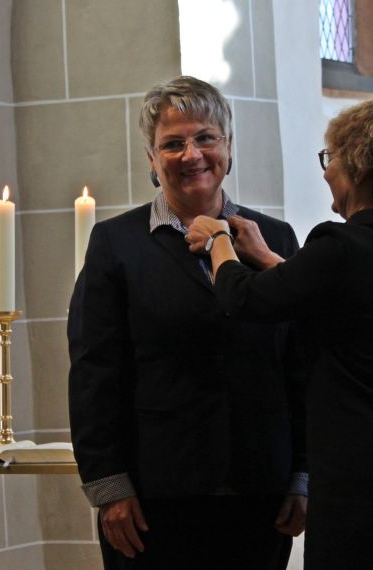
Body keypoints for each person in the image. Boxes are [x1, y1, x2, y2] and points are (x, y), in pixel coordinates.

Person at [187, 99, 373, 570]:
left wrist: (219, 239)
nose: (326, 172)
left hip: (372, 489)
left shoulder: (340, 245)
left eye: (331, 158)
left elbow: (244, 300)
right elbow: (349, 303)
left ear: (357, 167)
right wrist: (267, 257)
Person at [68, 76, 308, 569]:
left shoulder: (276, 239)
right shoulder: (117, 244)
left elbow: (302, 366)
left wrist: (305, 474)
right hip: (154, 497)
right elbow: (94, 373)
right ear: (152, 161)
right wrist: (109, 486)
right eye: (172, 144)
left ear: (228, 146)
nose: (191, 154)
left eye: (205, 138)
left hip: (260, 489)